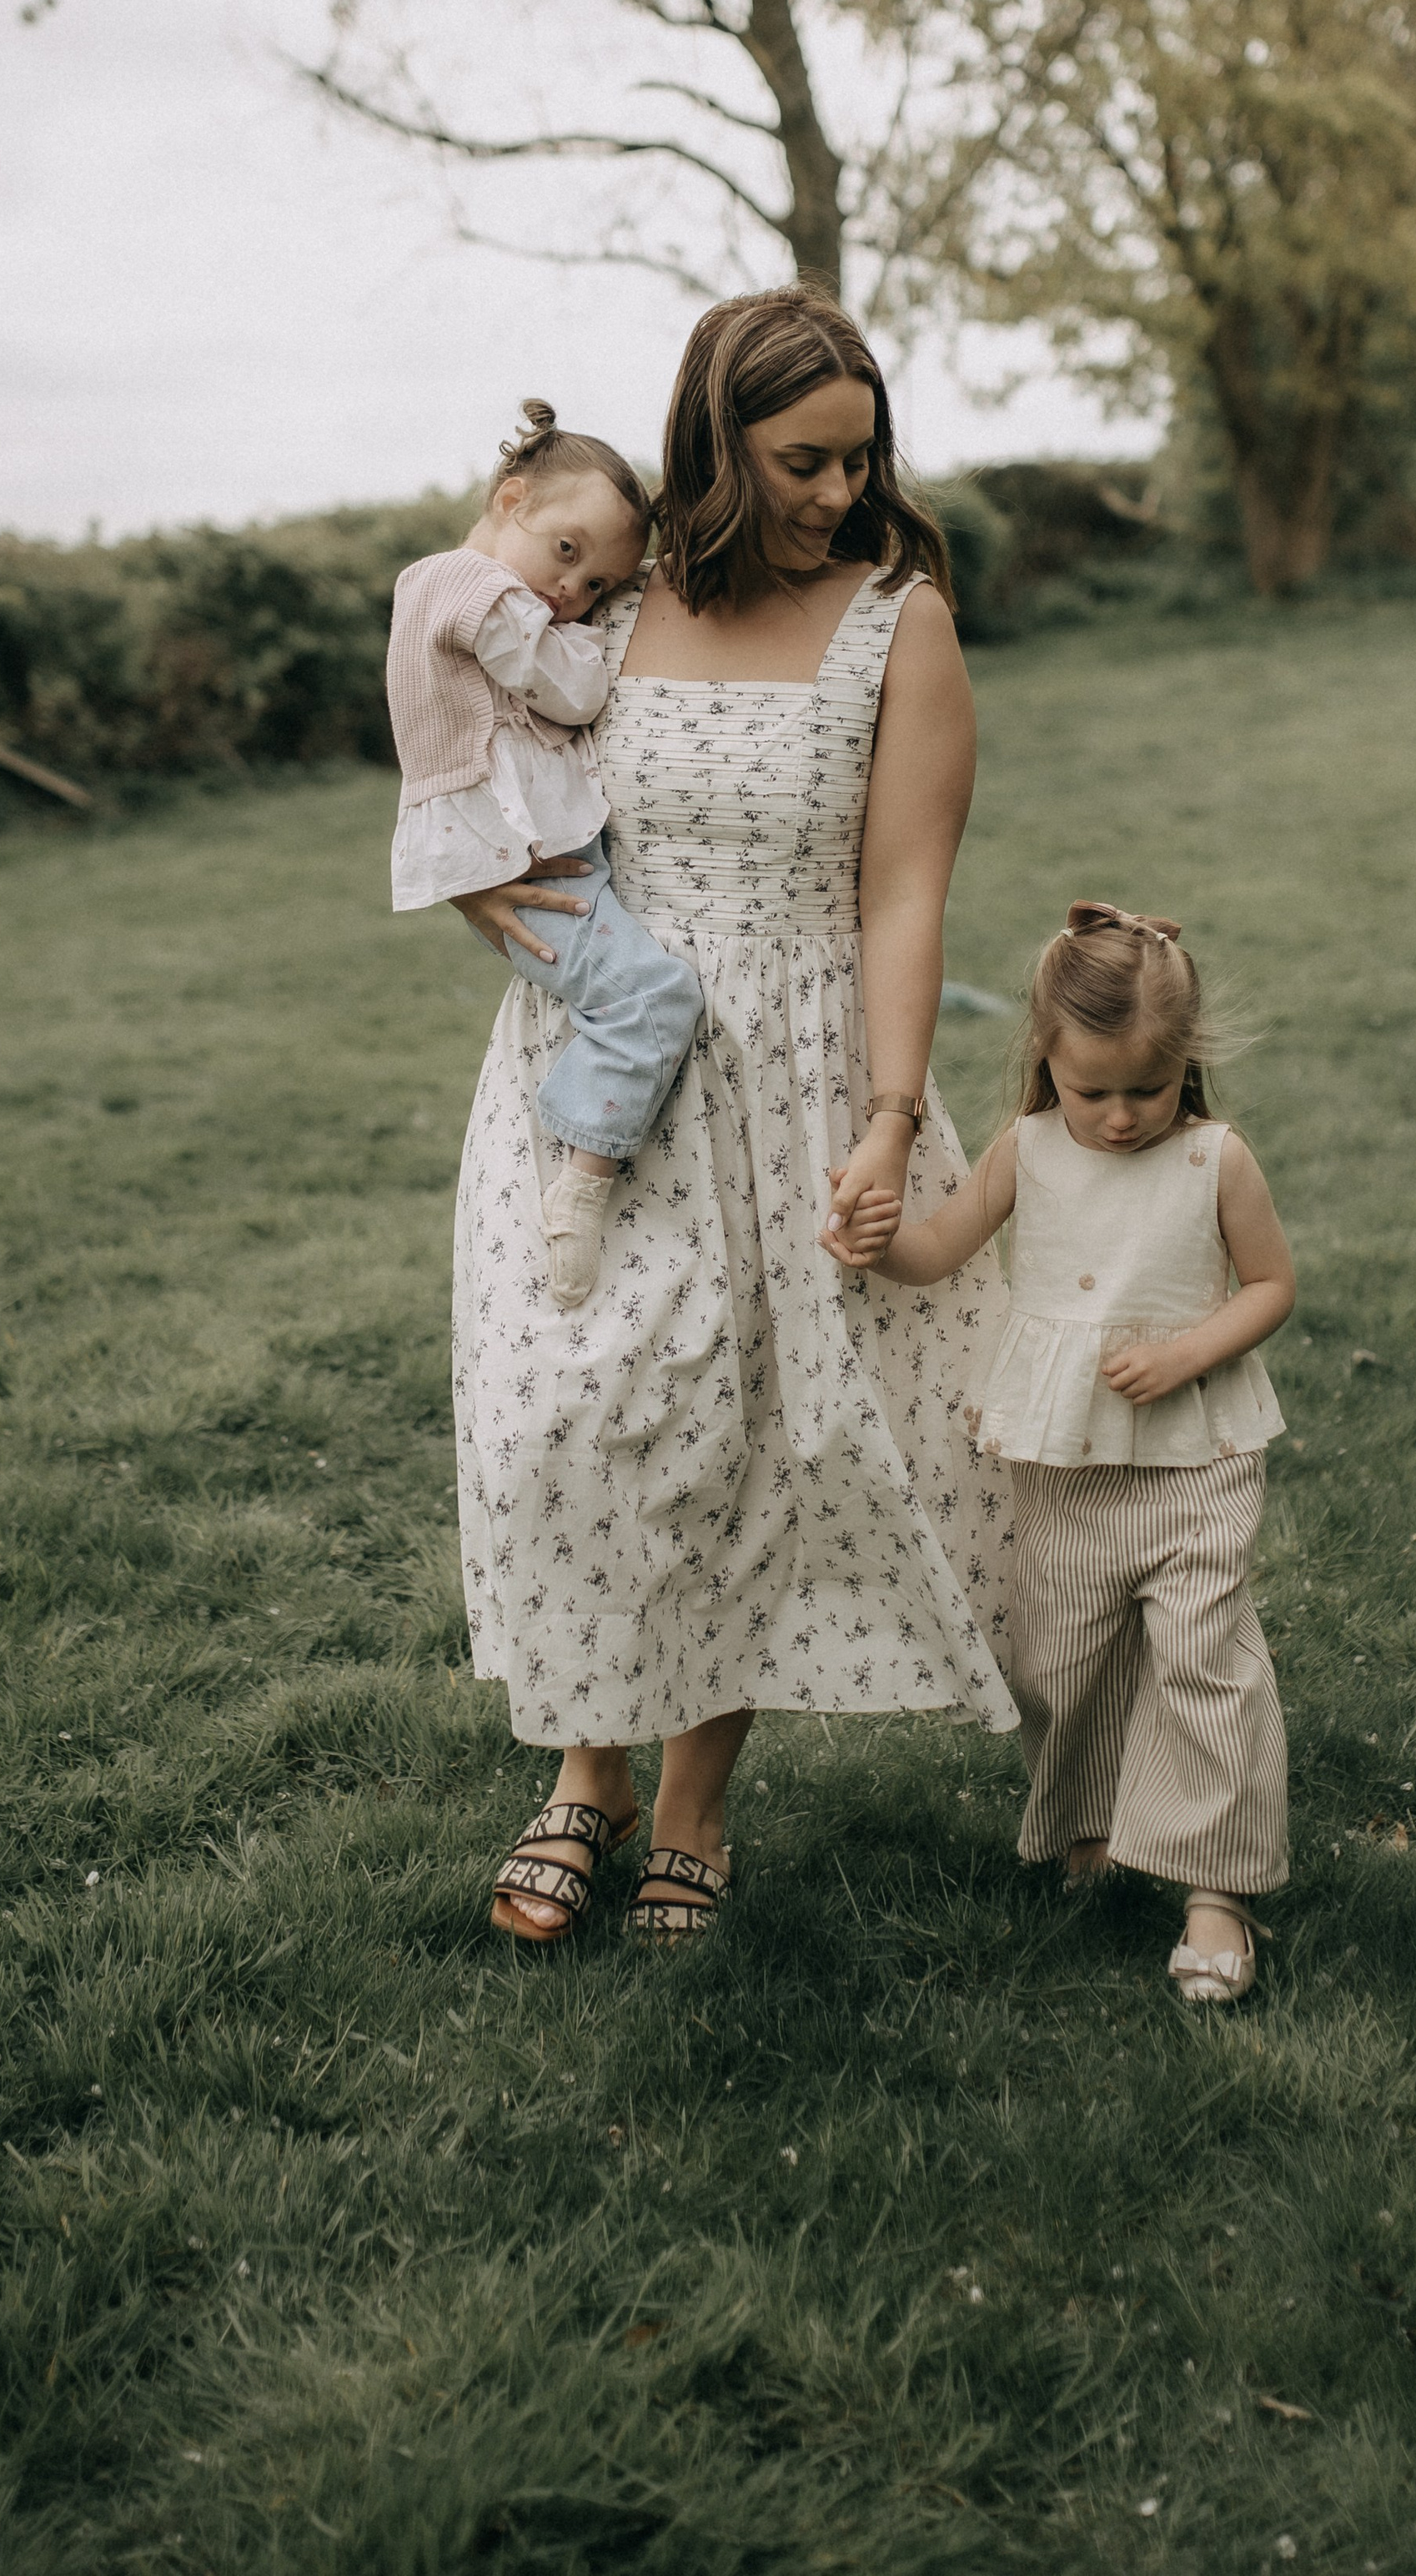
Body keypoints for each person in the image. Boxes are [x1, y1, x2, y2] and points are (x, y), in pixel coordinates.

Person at [452, 291, 1015, 1948]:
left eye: (856, 459)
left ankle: (689, 1802)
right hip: (600, 1072)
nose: (836, 492)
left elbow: (903, 891)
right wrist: (489, 888)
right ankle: (583, 1771)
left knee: (745, 1440)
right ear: (715, 442)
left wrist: (889, 1111)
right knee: (578, 1412)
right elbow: (462, 716)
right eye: (798, 461)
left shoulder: (893, 620)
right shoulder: (605, 607)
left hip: (797, 1071)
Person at [831, 904, 1296, 2005]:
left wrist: (1189, 1351)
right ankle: (1088, 1824)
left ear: (1188, 1067)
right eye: (1096, 1093)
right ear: (1046, 1058)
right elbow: (939, 1249)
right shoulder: (1027, 1151)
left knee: (1205, 1662)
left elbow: (1273, 1286)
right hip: (1064, 1466)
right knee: (1062, 1655)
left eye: (1151, 1087)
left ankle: (1215, 1893)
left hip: (1196, 1457)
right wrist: (874, 1238)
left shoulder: (1214, 1159)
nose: (1125, 1117)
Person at [387, 401, 704, 1304]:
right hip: (518, 861)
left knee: (626, 986)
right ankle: (580, 1184)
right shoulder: (469, 587)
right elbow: (572, 691)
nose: (575, 594)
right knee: (651, 993)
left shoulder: (462, 590)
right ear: (511, 498)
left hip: (528, 855)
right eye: (568, 553)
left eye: (601, 585)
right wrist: (597, 641)